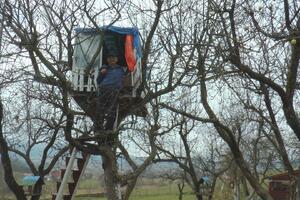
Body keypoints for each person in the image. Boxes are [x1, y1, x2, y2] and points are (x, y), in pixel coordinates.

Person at [95, 53, 127, 132]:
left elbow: (125, 78)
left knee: (112, 111)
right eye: (110, 58)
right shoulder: (105, 68)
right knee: (100, 110)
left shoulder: (121, 69)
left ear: (116, 60)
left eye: (114, 58)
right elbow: (98, 81)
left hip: (115, 91)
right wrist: (102, 73)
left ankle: (108, 129)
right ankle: (98, 129)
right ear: (107, 60)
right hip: (104, 90)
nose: (112, 60)